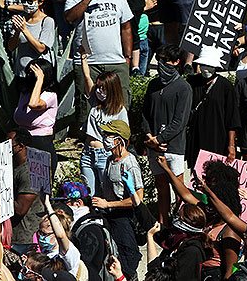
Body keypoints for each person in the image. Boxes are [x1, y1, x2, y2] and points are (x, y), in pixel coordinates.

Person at [65, 0, 133, 134]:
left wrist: (128, 57)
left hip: (115, 60)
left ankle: (121, 139)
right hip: (87, 63)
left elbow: (126, 27)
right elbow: (69, 18)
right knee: (86, 104)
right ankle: (89, 142)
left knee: (121, 101)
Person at [142, 43, 192, 224]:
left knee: (179, 190)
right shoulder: (153, 84)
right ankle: (163, 225)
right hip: (155, 148)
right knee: (161, 189)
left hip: (174, 148)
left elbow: (180, 121)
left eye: (165, 60)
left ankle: (181, 224)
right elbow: (145, 114)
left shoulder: (184, 88)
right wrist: (149, 137)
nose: (161, 63)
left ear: (177, 61)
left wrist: (160, 139)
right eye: (159, 59)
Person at [91, 120, 144, 280]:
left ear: (119, 140)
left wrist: (108, 204)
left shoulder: (129, 163)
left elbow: (138, 200)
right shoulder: (109, 160)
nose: (105, 138)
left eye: (108, 135)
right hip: (109, 216)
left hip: (124, 220)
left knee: (127, 261)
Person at [79, 48, 128, 197]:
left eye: (103, 88)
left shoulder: (120, 110)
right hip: (87, 152)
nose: (99, 91)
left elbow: (124, 136)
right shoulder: (95, 99)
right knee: (89, 193)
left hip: (104, 154)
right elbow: (87, 76)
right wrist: (83, 58)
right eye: (98, 87)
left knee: (106, 193)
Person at [186, 45, 240, 167]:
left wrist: (231, 145)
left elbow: (232, 119)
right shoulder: (191, 82)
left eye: (209, 66)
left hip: (218, 140)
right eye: (203, 65)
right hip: (196, 138)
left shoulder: (226, 87)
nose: (206, 69)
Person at [14, 59, 58, 176]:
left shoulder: (50, 96)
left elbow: (33, 104)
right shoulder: (25, 93)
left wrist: (39, 79)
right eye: (28, 72)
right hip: (23, 141)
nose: (29, 75)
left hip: (40, 142)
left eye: (33, 73)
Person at [7, 0, 55, 79]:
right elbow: (11, 47)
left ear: (40, 2)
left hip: (38, 74)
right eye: (24, 0)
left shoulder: (47, 21)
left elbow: (40, 49)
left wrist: (24, 30)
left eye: (30, 1)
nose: (26, 4)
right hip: (20, 73)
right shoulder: (20, 18)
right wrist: (17, 32)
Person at [9, 128, 44, 255]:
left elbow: (20, 209)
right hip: (15, 235)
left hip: (25, 239)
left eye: (8, 145)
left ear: (20, 146)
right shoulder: (14, 167)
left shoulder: (30, 172)